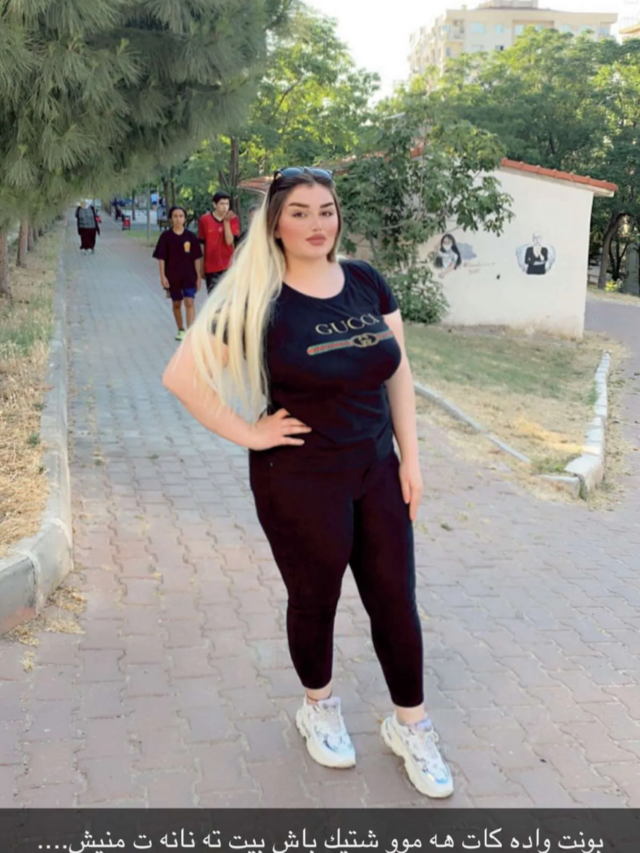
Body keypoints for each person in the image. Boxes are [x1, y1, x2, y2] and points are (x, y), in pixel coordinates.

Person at [162, 167, 454, 799]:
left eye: (326, 210)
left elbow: (397, 372)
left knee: (394, 599)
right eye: (300, 212)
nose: (317, 224)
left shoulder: (367, 281)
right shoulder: (258, 299)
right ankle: (318, 706)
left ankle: (411, 725)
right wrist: (250, 433)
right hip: (300, 478)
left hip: (377, 469)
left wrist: (410, 459)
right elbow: (181, 376)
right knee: (315, 598)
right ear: (276, 224)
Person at [153, 205, 202, 341]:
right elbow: (161, 258)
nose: (178, 219)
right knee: (177, 303)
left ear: (185, 219)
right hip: (172, 276)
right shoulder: (165, 237)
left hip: (189, 275)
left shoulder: (191, 237)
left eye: (181, 216)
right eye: (175, 216)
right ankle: (181, 329)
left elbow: (197, 258)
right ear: (171, 219)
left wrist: (198, 277)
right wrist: (162, 276)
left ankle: (190, 330)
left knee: (189, 301)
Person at [198, 191, 240, 294]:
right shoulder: (204, 220)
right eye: (222, 204)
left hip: (228, 265)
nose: (225, 207)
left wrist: (226, 222)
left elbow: (229, 241)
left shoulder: (233, 219)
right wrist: (201, 267)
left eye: (227, 204)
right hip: (211, 267)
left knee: (229, 298)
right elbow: (202, 244)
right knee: (214, 297)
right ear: (214, 204)